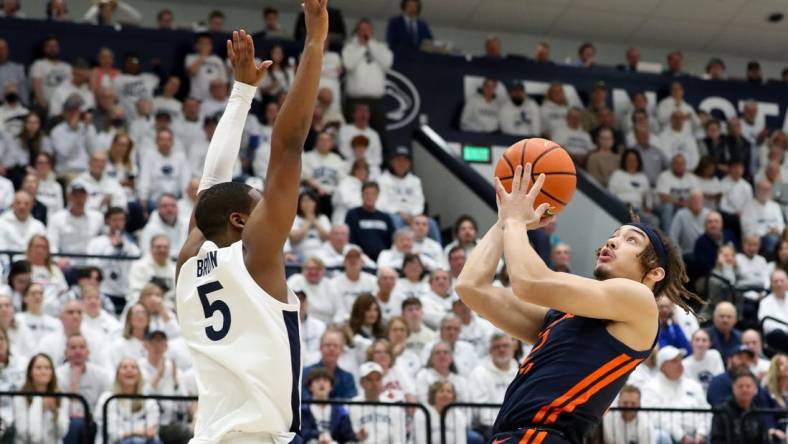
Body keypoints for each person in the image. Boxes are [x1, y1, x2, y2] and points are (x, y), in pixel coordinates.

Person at [456, 162, 700, 443]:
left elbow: (528, 282)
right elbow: (471, 287)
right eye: (613, 236)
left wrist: (515, 222)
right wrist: (503, 222)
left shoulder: (640, 300)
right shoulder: (562, 317)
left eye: (631, 240)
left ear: (655, 272)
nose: (612, 242)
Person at [174, 22, 327, 444]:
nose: (273, 210)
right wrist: (314, 44)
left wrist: (242, 93)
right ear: (241, 222)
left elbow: (211, 182)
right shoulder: (255, 256)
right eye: (260, 203)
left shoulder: (188, 265)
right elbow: (289, 144)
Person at [341, 19, 393, 137]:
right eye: (361, 29)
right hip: (355, 100)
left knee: (379, 135)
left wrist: (370, 44)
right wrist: (363, 47)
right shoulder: (350, 47)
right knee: (353, 135)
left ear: (372, 31)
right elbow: (349, 64)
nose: (364, 32)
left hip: (376, 101)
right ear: (357, 31)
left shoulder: (381, 46)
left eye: (367, 29)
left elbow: (387, 63)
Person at [57, 333, 111, 444]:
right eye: (73, 348)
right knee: (75, 424)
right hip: (65, 421)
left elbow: (107, 402)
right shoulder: (57, 375)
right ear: (66, 353)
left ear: (88, 352)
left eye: (82, 347)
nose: (78, 351)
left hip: (95, 420)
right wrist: (74, 385)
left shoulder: (101, 374)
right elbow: (62, 410)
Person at [96, 358, 161, 444]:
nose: (129, 370)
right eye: (124, 367)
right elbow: (114, 434)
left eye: (133, 367)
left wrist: (130, 432)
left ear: (139, 375)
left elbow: (151, 432)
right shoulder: (107, 398)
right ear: (117, 374)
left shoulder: (149, 402)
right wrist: (139, 432)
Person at [13, 353, 70, 443]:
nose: (43, 372)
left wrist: (55, 412)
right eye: (38, 368)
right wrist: (39, 405)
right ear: (30, 372)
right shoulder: (20, 398)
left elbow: (62, 432)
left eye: (47, 368)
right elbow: (24, 433)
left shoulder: (61, 398)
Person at [469, 334, 518, 434]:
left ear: (513, 348)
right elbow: (480, 409)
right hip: (489, 426)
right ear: (490, 351)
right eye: (497, 347)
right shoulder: (479, 372)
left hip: (516, 424)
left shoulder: (520, 372)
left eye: (505, 346)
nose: (502, 350)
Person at [710, 370, 777, 444]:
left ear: (755, 390)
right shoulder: (721, 412)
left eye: (748, 386)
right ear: (733, 388)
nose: (744, 390)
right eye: (740, 386)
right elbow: (717, 440)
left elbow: (765, 440)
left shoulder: (758, 413)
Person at [299, 368, 356, 443]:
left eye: (325, 380)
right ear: (310, 386)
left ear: (331, 387)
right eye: (317, 381)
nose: (321, 383)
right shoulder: (303, 410)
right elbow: (302, 432)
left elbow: (348, 435)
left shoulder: (340, 410)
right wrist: (319, 435)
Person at [345, 181, 395, 260]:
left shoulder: (385, 217)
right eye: (366, 193)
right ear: (361, 195)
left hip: (383, 259)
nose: (369, 197)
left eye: (373, 194)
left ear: (377, 196)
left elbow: (392, 239)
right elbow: (350, 239)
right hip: (360, 258)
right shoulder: (353, 214)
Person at [302, 329, 358, 400]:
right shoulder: (305, 373)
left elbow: (350, 403)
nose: (331, 349)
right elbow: (303, 399)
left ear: (341, 350)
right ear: (320, 348)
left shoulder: (348, 378)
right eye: (328, 345)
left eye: (335, 346)